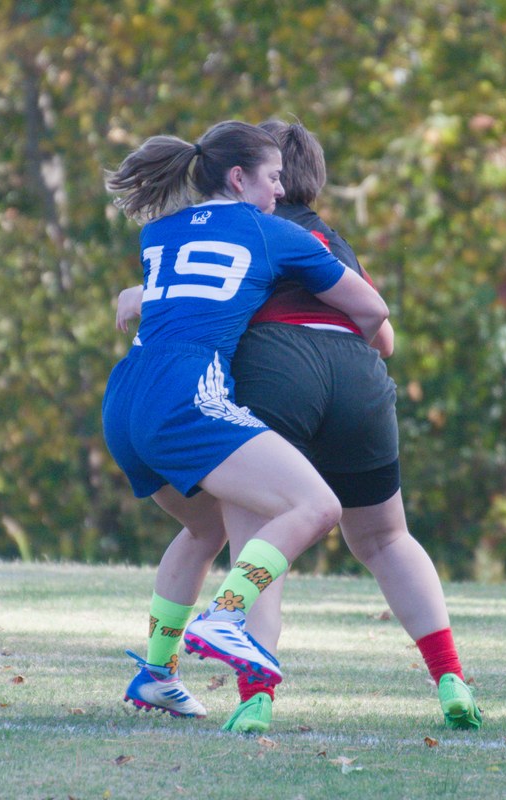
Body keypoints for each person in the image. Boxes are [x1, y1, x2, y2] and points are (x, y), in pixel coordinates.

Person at [116, 120, 482, 733]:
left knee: (253, 534)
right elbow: (382, 331)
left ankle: (252, 694)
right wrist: (346, 362)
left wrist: (139, 293)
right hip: (358, 375)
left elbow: (171, 298)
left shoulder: (241, 229)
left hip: (261, 372)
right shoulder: (328, 238)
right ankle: (451, 679)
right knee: (387, 538)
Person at [102, 120, 388, 719]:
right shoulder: (273, 233)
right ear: (239, 177)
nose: (281, 193)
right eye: (273, 178)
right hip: (188, 392)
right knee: (318, 507)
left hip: (126, 398)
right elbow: (373, 310)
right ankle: (225, 616)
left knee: (205, 528)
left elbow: (171, 293)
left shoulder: (160, 231)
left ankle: (157, 672)